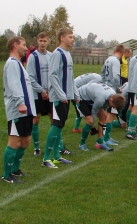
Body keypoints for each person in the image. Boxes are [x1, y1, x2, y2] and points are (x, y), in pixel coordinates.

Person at [42, 28, 80, 168]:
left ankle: (57, 156)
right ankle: (46, 158)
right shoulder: (57, 54)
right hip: (58, 98)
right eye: (70, 37)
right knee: (56, 125)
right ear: (62, 38)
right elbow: (52, 76)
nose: (72, 39)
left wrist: (75, 94)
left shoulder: (67, 54)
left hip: (66, 97)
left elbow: (70, 77)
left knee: (60, 125)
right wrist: (61, 94)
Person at [2, 37, 36, 183]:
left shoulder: (18, 64)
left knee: (25, 141)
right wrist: (20, 103)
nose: (26, 48)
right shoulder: (12, 64)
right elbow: (14, 84)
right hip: (18, 110)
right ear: (15, 46)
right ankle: (6, 174)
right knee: (14, 142)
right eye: (23, 45)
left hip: (26, 110)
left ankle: (15, 169)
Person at [76, 83, 125, 151]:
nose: (112, 107)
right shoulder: (101, 99)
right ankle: (82, 143)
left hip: (92, 97)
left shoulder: (112, 95)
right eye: (112, 106)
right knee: (90, 121)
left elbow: (104, 108)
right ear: (111, 100)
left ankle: (100, 141)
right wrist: (92, 128)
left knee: (104, 116)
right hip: (81, 97)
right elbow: (94, 113)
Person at [26, 32, 52, 156]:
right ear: (37, 41)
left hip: (50, 93)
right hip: (37, 94)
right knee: (36, 119)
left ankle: (56, 145)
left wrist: (50, 90)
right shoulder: (33, 57)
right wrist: (41, 91)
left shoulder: (51, 56)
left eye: (44, 41)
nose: (42, 43)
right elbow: (30, 77)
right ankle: (37, 147)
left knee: (54, 119)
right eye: (40, 41)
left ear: (48, 41)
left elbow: (54, 75)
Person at [100, 44, 124, 145]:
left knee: (109, 114)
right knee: (111, 114)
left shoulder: (108, 59)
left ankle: (107, 137)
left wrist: (104, 83)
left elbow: (102, 72)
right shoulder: (115, 61)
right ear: (122, 53)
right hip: (112, 90)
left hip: (106, 87)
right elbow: (115, 76)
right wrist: (118, 88)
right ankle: (106, 138)